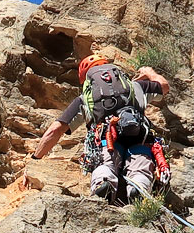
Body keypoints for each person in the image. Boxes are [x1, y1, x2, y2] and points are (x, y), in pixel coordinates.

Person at [29, 54, 172, 203]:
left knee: (104, 164)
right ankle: (139, 186)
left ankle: (104, 182)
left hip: (107, 138)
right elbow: (164, 86)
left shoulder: (85, 99)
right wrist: (149, 72)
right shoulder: (136, 87)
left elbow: (56, 129)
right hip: (140, 136)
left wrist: (36, 157)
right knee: (140, 167)